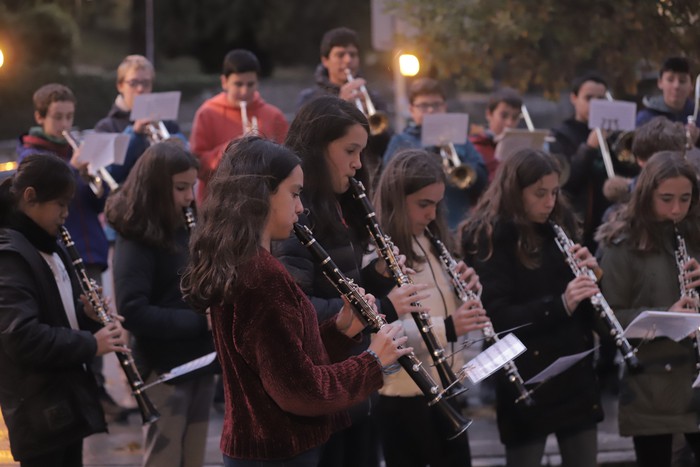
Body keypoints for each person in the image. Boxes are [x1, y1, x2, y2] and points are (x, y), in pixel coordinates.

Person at [180, 136, 410, 466]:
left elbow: (283, 361)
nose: (301, 207)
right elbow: (299, 391)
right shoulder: (261, 275)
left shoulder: (245, 262)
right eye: (294, 193)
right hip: (277, 452)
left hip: (261, 448)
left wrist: (340, 331)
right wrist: (373, 361)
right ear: (261, 196)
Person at [273, 96, 422, 467]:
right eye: (350, 151)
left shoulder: (336, 204)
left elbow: (341, 289)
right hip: (322, 389)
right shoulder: (292, 215)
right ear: (317, 148)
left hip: (353, 381)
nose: (358, 164)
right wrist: (384, 307)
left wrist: (379, 278)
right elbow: (298, 308)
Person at [460, 149, 604, 467]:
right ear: (515, 191)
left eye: (554, 192)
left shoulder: (559, 225)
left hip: (574, 376)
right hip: (525, 376)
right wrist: (561, 303)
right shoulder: (491, 235)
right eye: (540, 194)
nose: (550, 202)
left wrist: (595, 279)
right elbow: (497, 317)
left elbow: (589, 312)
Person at [0, 153, 127, 466]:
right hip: (40, 409)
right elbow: (22, 337)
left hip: (65, 401)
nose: (66, 214)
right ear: (30, 197)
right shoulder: (9, 255)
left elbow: (58, 317)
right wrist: (91, 344)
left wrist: (87, 317)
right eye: (60, 205)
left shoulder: (48, 245)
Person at [372, 148, 490, 467]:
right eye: (424, 205)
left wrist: (466, 291)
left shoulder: (432, 240)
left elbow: (443, 304)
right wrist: (449, 326)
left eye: (437, 205)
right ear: (397, 200)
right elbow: (383, 333)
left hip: (445, 385)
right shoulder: (377, 255)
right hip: (402, 395)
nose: (432, 214)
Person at [104, 141, 215, 467]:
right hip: (163, 366)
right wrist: (200, 321)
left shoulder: (186, 223)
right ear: (155, 187)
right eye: (181, 188)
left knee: (193, 457)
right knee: (164, 459)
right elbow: (133, 311)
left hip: (201, 359)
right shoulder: (135, 236)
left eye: (191, 186)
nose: (189, 197)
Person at [15, 83, 122, 419]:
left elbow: (93, 202)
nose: (64, 124)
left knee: (96, 319)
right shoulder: (32, 154)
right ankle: (82, 388)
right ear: (40, 117)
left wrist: (93, 179)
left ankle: (99, 388)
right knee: (68, 322)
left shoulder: (76, 149)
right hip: (57, 249)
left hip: (89, 247)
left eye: (70, 116)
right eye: (57, 116)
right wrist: (74, 171)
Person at [596, 151, 700, 467]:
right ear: (646, 195)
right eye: (666, 198)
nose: (676, 209)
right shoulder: (622, 244)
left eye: (685, 199)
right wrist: (667, 316)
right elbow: (606, 319)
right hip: (652, 382)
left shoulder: (693, 232)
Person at [549, 71, 639, 251]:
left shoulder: (615, 133)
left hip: (615, 220)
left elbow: (632, 169)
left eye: (601, 98)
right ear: (574, 98)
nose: (596, 104)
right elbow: (566, 182)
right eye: (589, 98)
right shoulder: (561, 134)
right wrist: (589, 148)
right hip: (582, 223)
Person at [383, 78, 488, 229]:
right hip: (417, 227)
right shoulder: (401, 141)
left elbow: (482, 184)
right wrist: (433, 153)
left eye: (436, 105)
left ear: (444, 107)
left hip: (458, 226)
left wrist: (463, 165)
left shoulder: (460, 140)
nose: (431, 110)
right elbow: (391, 185)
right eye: (424, 106)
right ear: (412, 110)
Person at [190, 49, 289, 202]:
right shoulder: (207, 113)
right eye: (238, 84)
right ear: (224, 82)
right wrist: (232, 148)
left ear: (258, 82)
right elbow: (198, 167)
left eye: (250, 84)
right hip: (218, 203)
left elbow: (288, 163)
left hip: (262, 202)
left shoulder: (273, 115)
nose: (244, 91)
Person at [297, 27, 391, 185]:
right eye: (340, 55)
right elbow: (304, 142)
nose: (348, 60)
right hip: (325, 178)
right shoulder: (310, 98)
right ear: (325, 61)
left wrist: (370, 120)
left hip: (368, 176)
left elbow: (385, 146)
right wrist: (340, 106)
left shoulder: (372, 97)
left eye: (353, 55)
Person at [94, 54, 186, 184]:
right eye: (133, 83)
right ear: (120, 86)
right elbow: (109, 175)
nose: (140, 89)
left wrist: (177, 142)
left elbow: (186, 158)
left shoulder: (166, 122)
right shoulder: (106, 127)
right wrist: (135, 135)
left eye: (146, 83)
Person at [636, 57, 700, 142]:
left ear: (691, 85)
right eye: (670, 80)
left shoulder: (697, 116)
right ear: (660, 82)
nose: (676, 86)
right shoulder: (646, 118)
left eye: (682, 81)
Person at [469, 88, 523, 182]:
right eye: (504, 116)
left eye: (515, 117)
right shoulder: (474, 146)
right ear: (489, 114)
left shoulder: (522, 147)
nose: (509, 123)